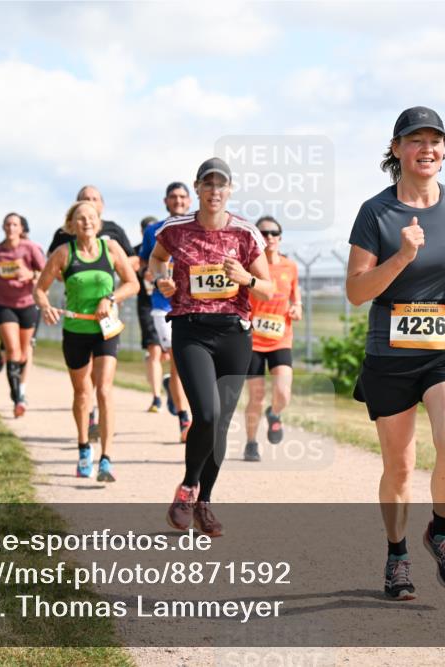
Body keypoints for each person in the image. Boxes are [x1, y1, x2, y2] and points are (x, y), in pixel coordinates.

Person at [345, 106, 445, 600]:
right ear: (397, 149)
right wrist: (402, 256)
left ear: (444, 151)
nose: (427, 149)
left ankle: (440, 534)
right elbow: (357, 291)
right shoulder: (376, 212)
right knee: (400, 468)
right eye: (416, 140)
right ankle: (397, 555)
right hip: (390, 354)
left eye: (436, 141)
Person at [149, 157, 274, 537]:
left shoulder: (245, 233)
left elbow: (269, 288)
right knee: (205, 413)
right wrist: (162, 280)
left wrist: (246, 279)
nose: (214, 191)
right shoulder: (175, 229)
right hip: (191, 329)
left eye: (221, 185)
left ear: (230, 190)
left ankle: (205, 503)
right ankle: (188, 487)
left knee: (220, 424)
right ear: (198, 188)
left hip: (234, 333)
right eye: (208, 184)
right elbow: (156, 261)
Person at [35, 201, 139, 482]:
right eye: (80, 219)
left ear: (99, 221)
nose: (87, 223)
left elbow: (133, 284)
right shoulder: (63, 253)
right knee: (82, 394)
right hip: (75, 330)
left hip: (106, 329)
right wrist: (45, 307)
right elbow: (40, 289)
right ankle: (84, 448)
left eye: (91, 217)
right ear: (71, 225)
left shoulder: (111, 249)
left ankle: (106, 459)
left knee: (104, 390)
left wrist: (111, 298)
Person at [48, 185, 137, 440]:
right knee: (83, 387)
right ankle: (87, 425)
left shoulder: (113, 235)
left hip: (107, 320)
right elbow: (50, 267)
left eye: (94, 199)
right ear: (73, 212)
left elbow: (132, 263)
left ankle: (98, 425)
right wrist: (73, 277)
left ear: (102, 207)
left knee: (103, 386)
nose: (89, 203)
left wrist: (111, 275)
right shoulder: (63, 239)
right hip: (77, 319)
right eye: (84, 200)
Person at [242, 216, 302, 462]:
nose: (269, 238)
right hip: (254, 341)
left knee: (283, 393)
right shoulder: (249, 268)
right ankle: (251, 443)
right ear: (257, 238)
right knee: (255, 397)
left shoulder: (290, 267)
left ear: (280, 237)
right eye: (264, 233)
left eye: (274, 233)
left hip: (280, 339)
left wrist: (297, 307)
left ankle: (274, 414)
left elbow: (296, 298)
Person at [139, 182, 193, 439]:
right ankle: (184, 420)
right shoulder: (153, 231)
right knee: (178, 360)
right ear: (166, 202)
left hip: (195, 304)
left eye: (183, 197)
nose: (178, 201)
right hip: (164, 306)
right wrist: (154, 277)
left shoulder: (199, 227)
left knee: (191, 363)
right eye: (173, 197)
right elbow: (144, 266)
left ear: (190, 201)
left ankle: (176, 394)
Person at [0, 212, 46, 418]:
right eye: (8, 224)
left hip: (27, 304)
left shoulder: (30, 248)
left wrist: (30, 275)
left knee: (23, 352)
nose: (11, 228)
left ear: (21, 229)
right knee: (13, 349)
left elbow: (45, 271)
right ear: (3, 227)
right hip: (4, 305)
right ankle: (18, 398)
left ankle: (21, 390)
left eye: (15, 224)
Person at [133, 216, 163, 411]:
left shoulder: (167, 248)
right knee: (154, 350)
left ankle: (167, 384)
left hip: (165, 304)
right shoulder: (137, 253)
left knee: (166, 354)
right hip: (146, 305)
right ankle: (157, 397)